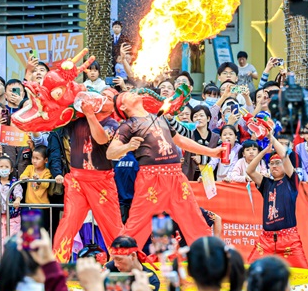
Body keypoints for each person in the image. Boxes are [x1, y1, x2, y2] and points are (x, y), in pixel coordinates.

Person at [107, 91, 225, 249]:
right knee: (137, 225)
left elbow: (181, 140)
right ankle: (120, 258)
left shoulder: (160, 117)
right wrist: (128, 146)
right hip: (151, 180)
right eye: (127, 94)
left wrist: (210, 152)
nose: (133, 93)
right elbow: (110, 152)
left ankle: (207, 259)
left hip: (176, 176)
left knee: (194, 220)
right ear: (123, 106)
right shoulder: (128, 125)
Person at [52, 90, 123, 262]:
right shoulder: (78, 120)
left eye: (107, 96)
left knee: (113, 227)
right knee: (68, 222)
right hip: (77, 181)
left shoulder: (112, 124)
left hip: (101, 182)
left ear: (113, 105)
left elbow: (101, 139)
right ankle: (56, 265)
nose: (101, 97)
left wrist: (91, 115)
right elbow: (56, 118)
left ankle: (123, 265)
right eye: (100, 94)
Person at [246, 133, 308, 268]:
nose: (274, 166)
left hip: (289, 240)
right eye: (271, 163)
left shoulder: (292, 181)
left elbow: (285, 157)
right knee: (250, 272)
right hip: (266, 240)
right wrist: (264, 152)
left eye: (277, 163)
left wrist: (272, 139)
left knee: (303, 278)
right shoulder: (266, 184)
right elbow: (250, 170)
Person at [0, 155, 22, 260]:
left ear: (11, 169)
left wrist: (17, 200)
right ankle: (1, 262)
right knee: (0, 240)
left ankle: (14, 263)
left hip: (13, 217)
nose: (3, 169)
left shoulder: (15, 183)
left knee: (13, 240)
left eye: (6, 167)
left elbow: (18, 193)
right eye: (1, 166)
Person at [19, 145, 52, 225]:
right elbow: (22, 176)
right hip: (29, 204)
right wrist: (24, 177)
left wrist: (39, 181)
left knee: (41, 229)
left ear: (46, 160)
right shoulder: (30, 168)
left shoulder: (47, 172)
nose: (34, 161)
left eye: (37, 158)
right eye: (33, 158)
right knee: (29, 229)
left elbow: (46, 185)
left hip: (43, 206)